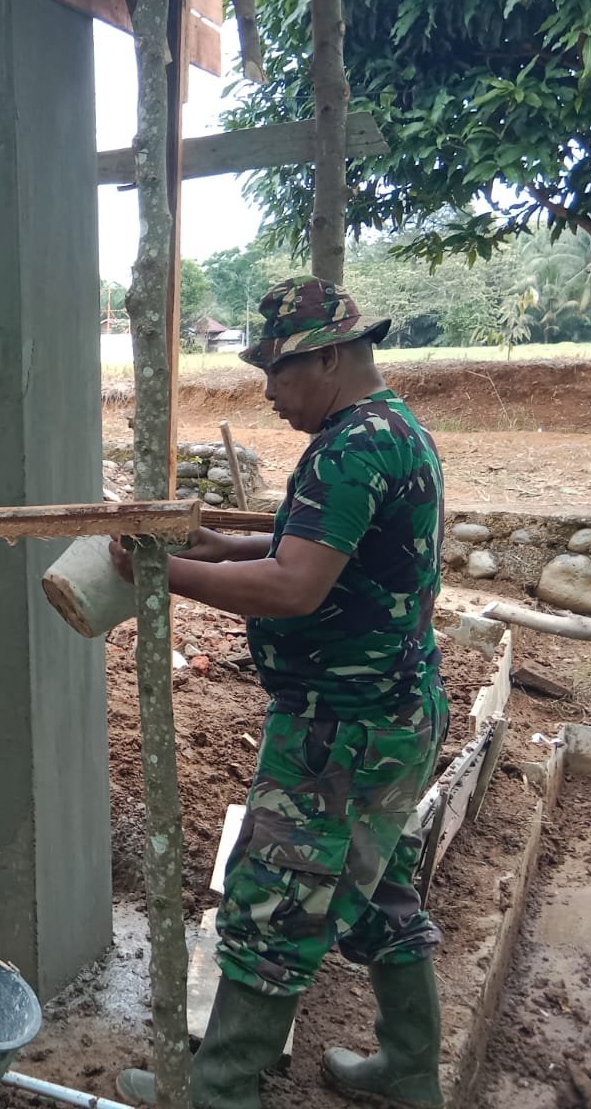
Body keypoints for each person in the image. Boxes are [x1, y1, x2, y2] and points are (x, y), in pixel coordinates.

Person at [111, 277, 448, 1109]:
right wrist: (225, 546)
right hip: (396, 712)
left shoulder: (348, 449)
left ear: (328, 358)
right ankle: (410, 1072)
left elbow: (296, 585)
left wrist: (164, 571)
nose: (268, 392)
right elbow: (325, 541)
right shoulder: (391, 428)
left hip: (340, 734)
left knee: (273, 905)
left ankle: (218, 1090)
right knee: (378, 896)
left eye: (278, 372)